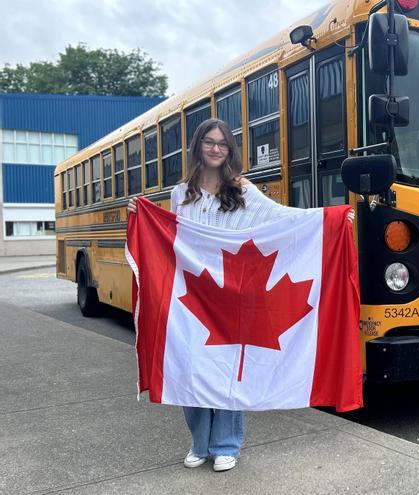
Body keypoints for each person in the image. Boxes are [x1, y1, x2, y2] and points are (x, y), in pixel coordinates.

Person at [127, 118, 352, 472]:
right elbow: (171, 240)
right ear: (198, 146)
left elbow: (282, 218)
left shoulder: (242, 190)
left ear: (230, 150)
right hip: (194, 294)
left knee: (229, 369)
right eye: (210, 142)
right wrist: (139, 215)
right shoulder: (180, 193)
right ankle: (199, 443)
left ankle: (226, 444)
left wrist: (331, 220)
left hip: (233, 293)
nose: (216, 149)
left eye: (223, 144)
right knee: (191, 369)